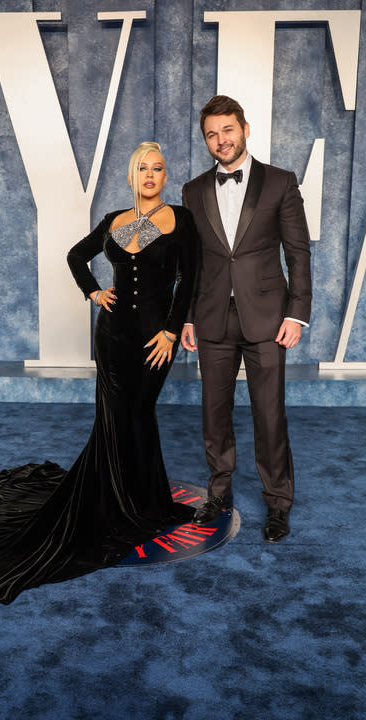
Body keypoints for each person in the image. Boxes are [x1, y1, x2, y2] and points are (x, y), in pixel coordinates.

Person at [0, 142, 198, 604]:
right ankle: (122, 502)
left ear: (165, 175)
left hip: (154, 339)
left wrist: (172, 331)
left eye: (157, 168)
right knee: (116, 417)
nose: (150, 175)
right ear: (130, 177)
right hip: (113, 338)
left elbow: (189, 279)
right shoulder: (114, 221)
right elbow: (77, 257)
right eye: (142, 169)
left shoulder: (181, 219)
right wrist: (95, 294)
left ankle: (146, 501)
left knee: (140, 414)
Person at [181, 96, 312, 543]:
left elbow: (298, 254)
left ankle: (277, 504)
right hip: (213, 318)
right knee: (213, 414)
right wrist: (188, 319)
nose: (221, 140)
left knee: (269, 415)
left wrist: (297, 314)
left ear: (245, 129)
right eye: (212, 134)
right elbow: (192, 262)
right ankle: (219, 493)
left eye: (228, 130)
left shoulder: (280, 182)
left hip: (269, 319)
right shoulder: (193, 191)